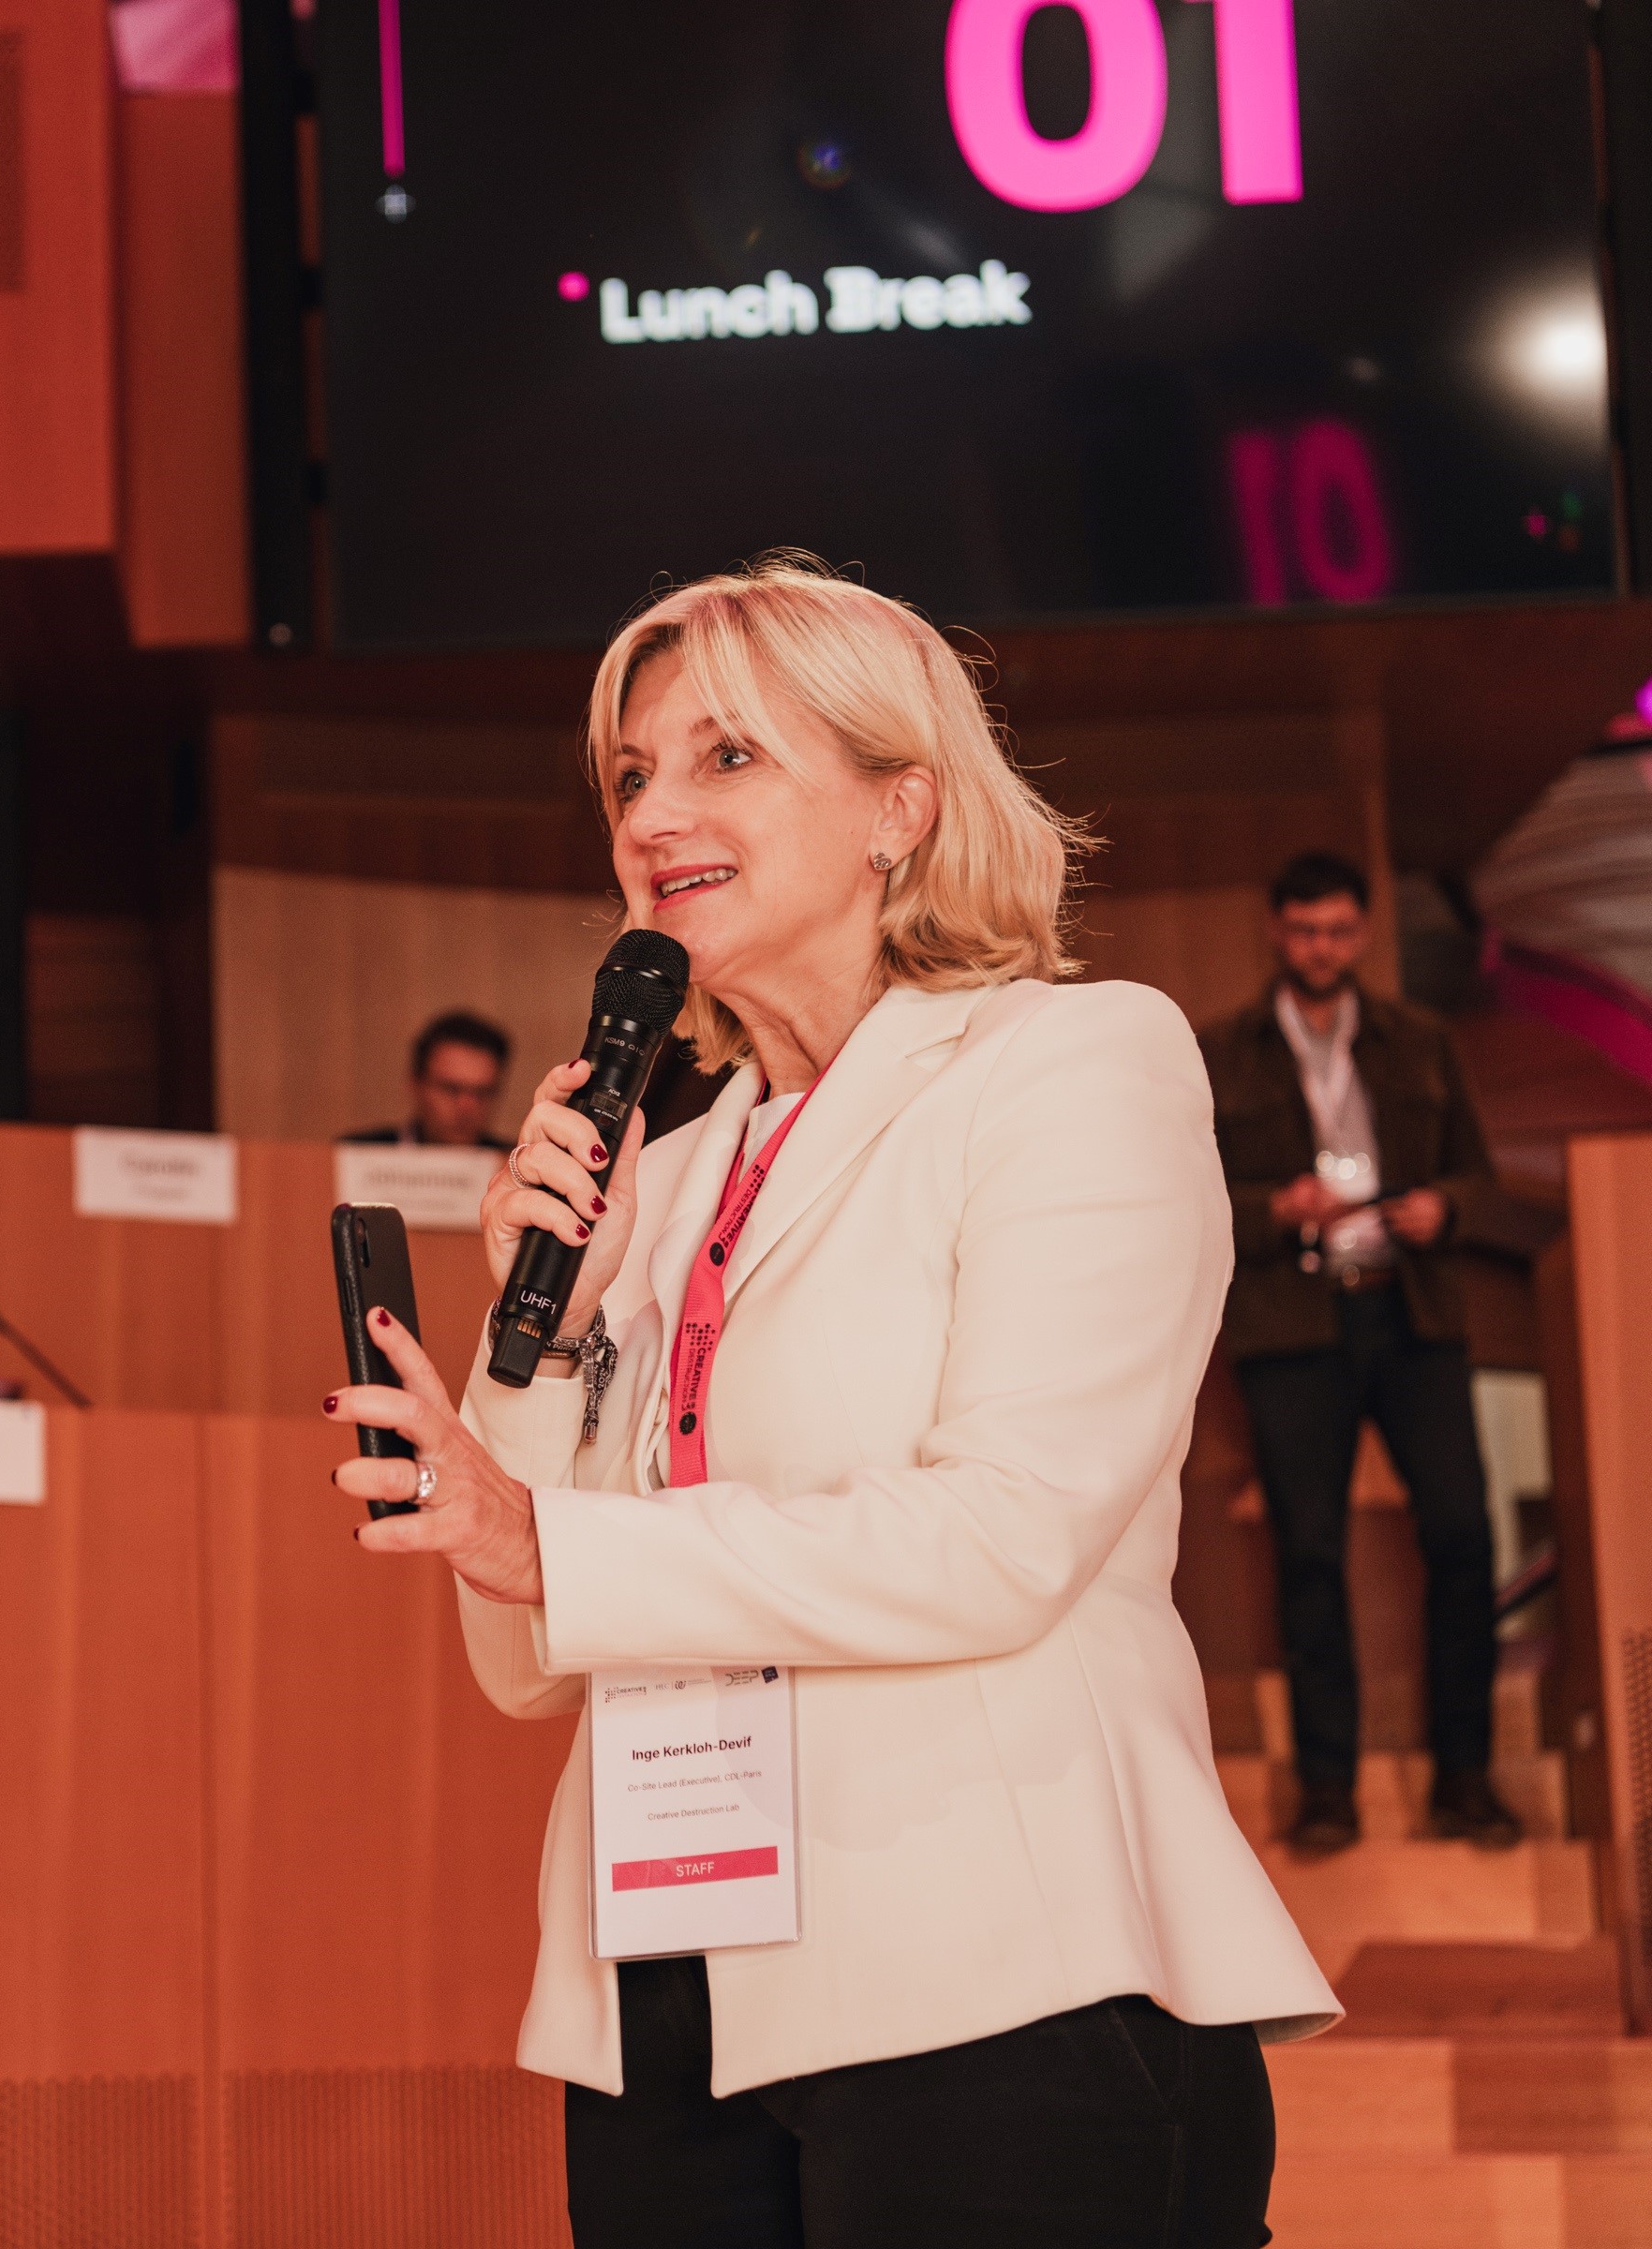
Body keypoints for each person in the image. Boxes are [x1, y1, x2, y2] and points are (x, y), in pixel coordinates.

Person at [322, 559, 1333, 2247]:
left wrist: (546, 1543)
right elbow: (524, 1657)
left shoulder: (1070, 1066)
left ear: (899, 807)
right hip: (668, 1999)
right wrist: (538, 1336)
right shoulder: (662, 1173)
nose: (653, 815)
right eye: (631, 776)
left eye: (725, 757)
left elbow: (1004, 1537)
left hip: (1003, 1976)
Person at [1198, 853, 1514, 1855]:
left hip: (1412, 1312)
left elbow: (1479, 1175)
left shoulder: (1419, 1040)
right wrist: (1276, 1208)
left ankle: (1466, 1777)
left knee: (1463, 1535)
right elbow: (1186, 1194)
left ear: (1364, 933)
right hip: (1294, 1322)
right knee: (1309, 1552)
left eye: (1338, 930)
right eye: (1304, 930)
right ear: (1274, 930)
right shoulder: (1223, 1050)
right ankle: (1328, 1790)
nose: (1321, 949)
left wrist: (1444, 1208)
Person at [340, 1008, 513, 1147]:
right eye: (451, 1089)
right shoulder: (355, 1154)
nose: (466, 1107)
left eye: (482, 1093)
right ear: (415, 1085)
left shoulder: (516, 1166)